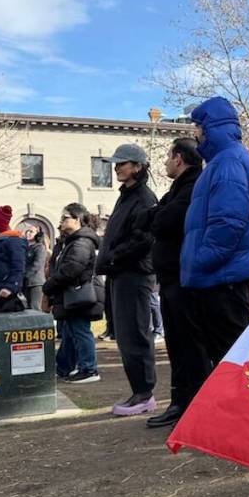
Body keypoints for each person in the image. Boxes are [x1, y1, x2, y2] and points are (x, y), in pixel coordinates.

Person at [174, 97, 249, 419]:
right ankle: (231, 423)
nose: (194, 133)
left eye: (196, 126)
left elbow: (228, 224)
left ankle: (240, 425)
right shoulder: (225, 160)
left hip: (221, 279)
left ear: (209, 126)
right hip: (219, 276)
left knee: (229, 357)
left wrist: (199, 263)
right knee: (226, 357)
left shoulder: (227, 163)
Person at [143, 138, 204, 428]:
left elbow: (164, 221)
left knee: (186, 343)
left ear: (178, 158)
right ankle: (182, 401)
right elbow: (151, 217)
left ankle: (188, 403)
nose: (165, 163)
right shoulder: (178, 188)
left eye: (168, 157)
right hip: (171, 276)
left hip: (183, 277)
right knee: (178, 342)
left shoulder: (191, 187)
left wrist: (158, 216)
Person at [95, 143, 159, 416]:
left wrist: (113, 257)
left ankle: (144, 394)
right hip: (121, 272)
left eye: (123, 163)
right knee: (125, 334)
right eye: (117, 163)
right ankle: (139, 391)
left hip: (134, 273)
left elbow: (143, 239)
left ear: (138, 166)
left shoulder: (143, 198)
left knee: (135, 333)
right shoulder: (128, 195)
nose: (117, 167)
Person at [43, 203, 103, 383]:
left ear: (77, 220)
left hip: (79, 295)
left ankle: (89, 369)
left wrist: (48, 287)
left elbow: (71, 269)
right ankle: (64, 367)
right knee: (71, 332)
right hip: (71, 295)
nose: (61, 222)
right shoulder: (72, 242)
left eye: (65, 217)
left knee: (80, 330)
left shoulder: (82, 242)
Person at [22, 225, 48, 310]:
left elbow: (37, 264)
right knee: (26, 308)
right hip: (26, 282)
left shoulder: (40, 247)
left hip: (36, 283)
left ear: (37, 234)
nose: (28, 233)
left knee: (34, 307)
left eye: (31, 231)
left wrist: (24, 275)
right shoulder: (26, 248)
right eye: (27, 231)